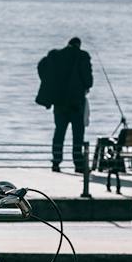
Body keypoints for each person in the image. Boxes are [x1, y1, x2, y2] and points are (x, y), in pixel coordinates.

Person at [39, 36, 93, 173]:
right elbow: (88, 80)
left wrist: (48, 82)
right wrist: (85, 86)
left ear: (68, 44)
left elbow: (41, 66)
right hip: (77, 103)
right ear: (79, 45)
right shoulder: (82, 56)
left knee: (59, 133)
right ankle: (78, 165)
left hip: (59, 103)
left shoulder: (55, 55)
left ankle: (56, 162)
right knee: (78, 136)